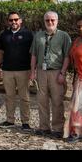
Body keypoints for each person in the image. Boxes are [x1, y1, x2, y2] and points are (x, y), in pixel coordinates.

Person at [30, 11, 72, 139]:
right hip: (41, 73)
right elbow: (34, 55)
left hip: (56, 72)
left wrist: (62, 73)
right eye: (47, 20)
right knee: (42, 101)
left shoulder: (64, 36)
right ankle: (44, 128)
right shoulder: (38, 36)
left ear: (57, 21)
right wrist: (33, 72)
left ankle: (58, 129)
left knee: (57, 101)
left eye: (52, 20)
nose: (50, 22)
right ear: (44, 22)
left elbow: (67, 56)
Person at [0, 12, 34, 131]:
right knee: (9, 96)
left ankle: (25, 122)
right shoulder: (4, 35)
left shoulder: (28, 34)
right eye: (11, 20)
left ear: (20, 20)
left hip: (24, 70)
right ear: (8, 21)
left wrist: (33, 70)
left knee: (24, 97)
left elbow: (33, 53)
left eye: (16, 19)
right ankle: (10, 120)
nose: (14, 22)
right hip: (7, 70)